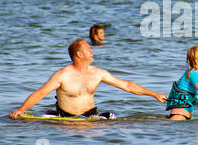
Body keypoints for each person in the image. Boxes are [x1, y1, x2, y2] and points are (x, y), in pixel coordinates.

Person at [9, 39, 167, 119]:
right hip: (65, 118)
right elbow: (40, 93)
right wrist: (21, 110)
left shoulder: (98, 73)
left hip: (91, 117)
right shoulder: (62, 75)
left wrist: (154, 94)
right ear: (79, 55)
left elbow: (127, 85)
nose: (92, 51)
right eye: (88, 49)